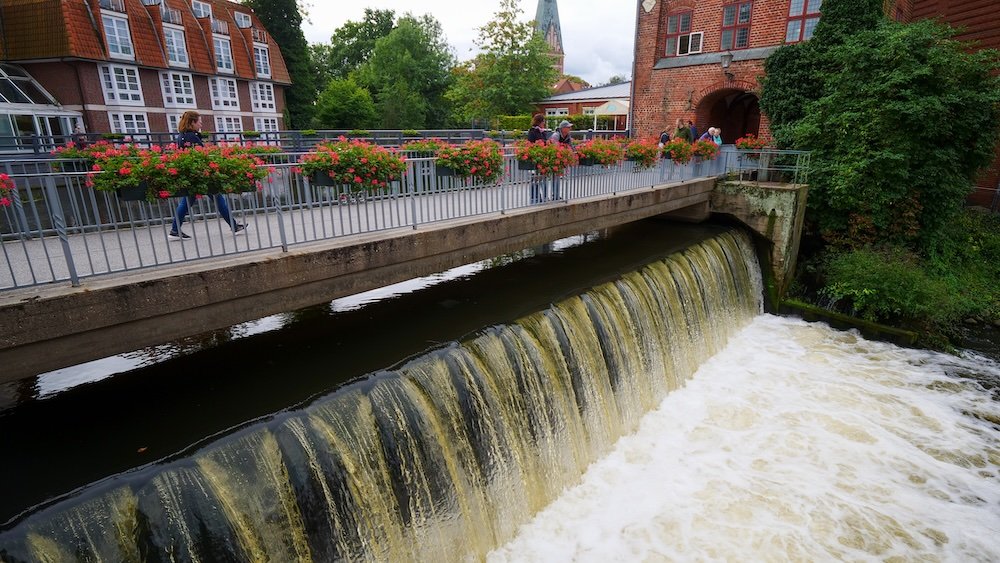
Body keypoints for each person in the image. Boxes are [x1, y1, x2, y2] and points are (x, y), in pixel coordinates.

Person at [168, 111, 246, 240]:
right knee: (217, 198)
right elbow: (201, 155)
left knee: (187, 202)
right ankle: (234, 225)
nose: (201, 123)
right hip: (200, 175)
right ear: (192, 122)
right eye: (199, 121)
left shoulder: (182, 135)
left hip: (192, 175)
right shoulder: (192, 137)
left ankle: (175, 229)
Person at [547, 120, 574, 201]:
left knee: (557, 177)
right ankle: (554, 195)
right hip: (554, 158)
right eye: (568, 127)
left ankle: (556, 195)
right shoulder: (556, 135)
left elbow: (570, 146)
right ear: (563, 128)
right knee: (555, 177)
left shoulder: (568, 135)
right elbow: (555, 148)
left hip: (561, 158)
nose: (570, 128)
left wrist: (573, 153)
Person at [527, 114, 548, 204]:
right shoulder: (532, 131)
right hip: (535, 157)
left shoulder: (542, 132)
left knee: (541, 178)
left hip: (541, 157)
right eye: (543, 121)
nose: (544, 123)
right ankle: (534, 198)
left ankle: (542, 197)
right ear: (539, 122)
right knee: (534, 179)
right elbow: (530, 144)